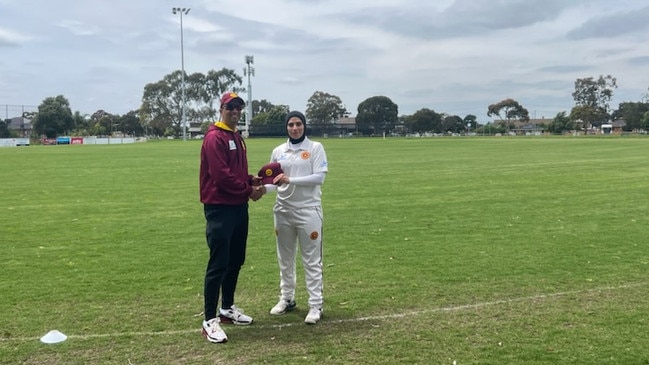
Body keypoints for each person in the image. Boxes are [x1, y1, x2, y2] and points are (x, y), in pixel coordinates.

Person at [199, 92, 265, 343]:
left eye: (239, 108)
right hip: (220, 208)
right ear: (221, 109)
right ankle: (209, 320)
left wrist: (249, 179)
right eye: (231, 107)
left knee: (235, 260)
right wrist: (249, 191)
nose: (236, 111)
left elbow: (234, 172)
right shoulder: (215, 137)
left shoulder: (236, 136)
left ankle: (226, 309)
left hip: (238, 207)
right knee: (218, 264)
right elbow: (221, 176)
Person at [262, 110, 329, 324]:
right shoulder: (279, 151)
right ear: (286, 127)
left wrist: (291, 180)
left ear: (304, 125)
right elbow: (273, 182)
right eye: (290, 124)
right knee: (285, 258)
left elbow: (319, 178)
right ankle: (287, 298)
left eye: (298, 124)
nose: (294, 128)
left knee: (311, 260)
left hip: (308, 211)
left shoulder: (315, 148)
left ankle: (315, 304)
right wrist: (259, 190)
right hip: (283, 211)